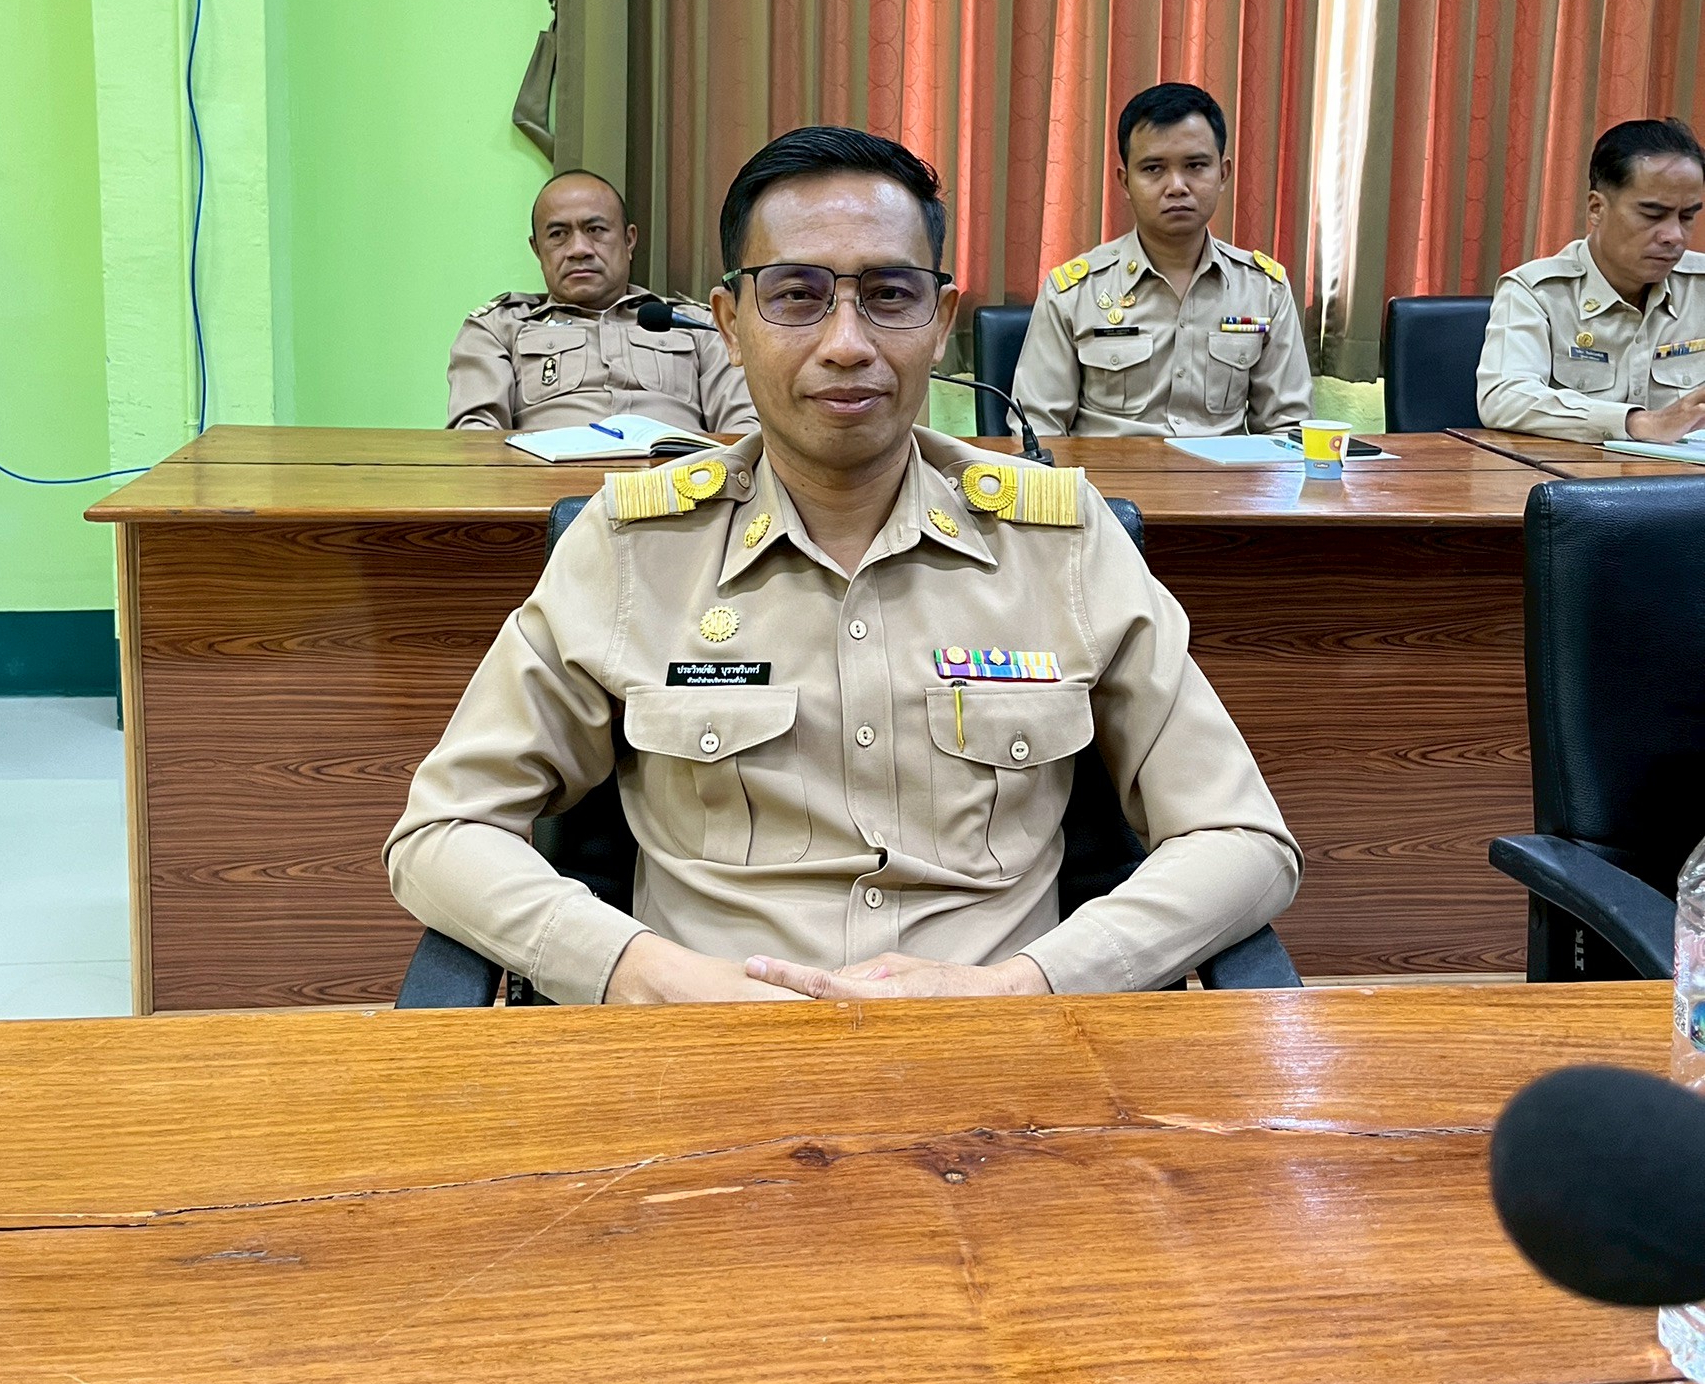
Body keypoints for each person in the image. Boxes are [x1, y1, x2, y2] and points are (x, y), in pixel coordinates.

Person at [387, 125, 1300, 1007]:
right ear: (730, 326)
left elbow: (1243, 839)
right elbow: (443, 832)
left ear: (940, 322)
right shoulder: (634, 550)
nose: (848, 342)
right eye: (797, 295)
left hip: (998, 1049)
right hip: (702, 1053)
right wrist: (644, 974)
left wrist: (1028, 985)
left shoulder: (1057, 542)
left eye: (891, 295)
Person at [1011, 83, 1313, 440]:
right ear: (1125, 182)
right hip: (1105, 475)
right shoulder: (1075, 293)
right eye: (1153, 169)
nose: (1177, 186)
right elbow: (1038, 431)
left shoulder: (1264, 290)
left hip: (1224, 476)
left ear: (1223, 174)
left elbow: (1287, 429)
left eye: (1195, 166)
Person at [445, 169, 755, 438]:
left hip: (685, 482)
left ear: (629, 240)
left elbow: (746, 429)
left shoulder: (698, 325)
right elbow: (475, 439)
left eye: (595, 230)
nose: (579, 249)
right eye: (558, 234)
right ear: (537, 250)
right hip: (547, 485)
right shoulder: (498, 328)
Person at [1477, 117, 1705, 446]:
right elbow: (1504, 398)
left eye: (1687, 217)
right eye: (1652, 214)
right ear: (1597, 208)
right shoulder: (1538, 292)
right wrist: (1637, 423)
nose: (1674, 236)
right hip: (1571, 473)